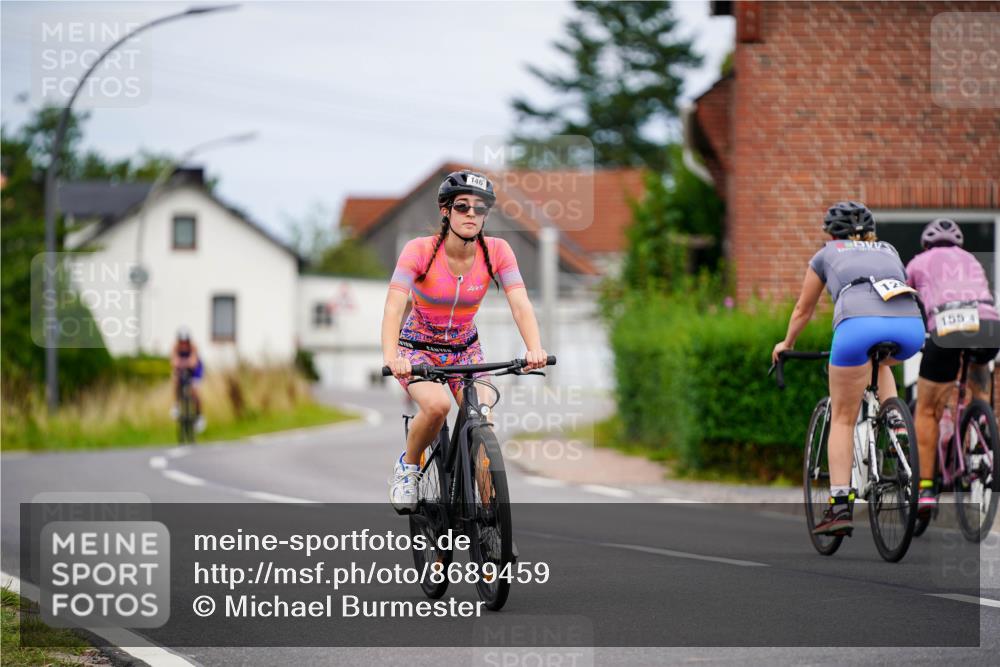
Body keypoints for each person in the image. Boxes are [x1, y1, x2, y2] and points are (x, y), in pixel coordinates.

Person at [381, 170, 547, 513]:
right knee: (438, 408)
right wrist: (392, 356)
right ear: (446, 211)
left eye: (480, 208)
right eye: (462, 206)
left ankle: (490, 518)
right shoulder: (419, 251)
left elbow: (520, 302)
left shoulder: (498, 251)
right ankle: (408, 468)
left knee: (482, 416)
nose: (472, 214)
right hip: (417, 349)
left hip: (465, 349)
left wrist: (534, 348)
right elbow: (394, 306)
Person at [772, 202, 925, 536]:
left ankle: (839, 505)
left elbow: (803, 308)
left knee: (842, 417)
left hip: (857, 327)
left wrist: (787, 343)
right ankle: (897, 429)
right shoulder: (888, 248)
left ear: (831, 232)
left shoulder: (827, 253)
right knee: (882, 360)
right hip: (911, 328)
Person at [905, 218, 1000, 515]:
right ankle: (981, 438)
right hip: (988, 326)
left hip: (947, 326)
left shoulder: (917, 263)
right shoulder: (971, 260)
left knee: (928, 410)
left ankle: (925, 488)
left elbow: (906, 306)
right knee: (979, 385)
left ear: (926, 244)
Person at [170, 326, 205, 432]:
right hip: (181, 369)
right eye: (182, 342)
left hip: (195, 371)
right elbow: (173, 362)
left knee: (195, 390)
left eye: (186, 342)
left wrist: (182, 363)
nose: (184, 344)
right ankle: (176, 405)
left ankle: (199, 416)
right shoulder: (175, 347)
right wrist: (183, 364)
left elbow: (193, 363)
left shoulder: (193, 347)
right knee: (175, 380)